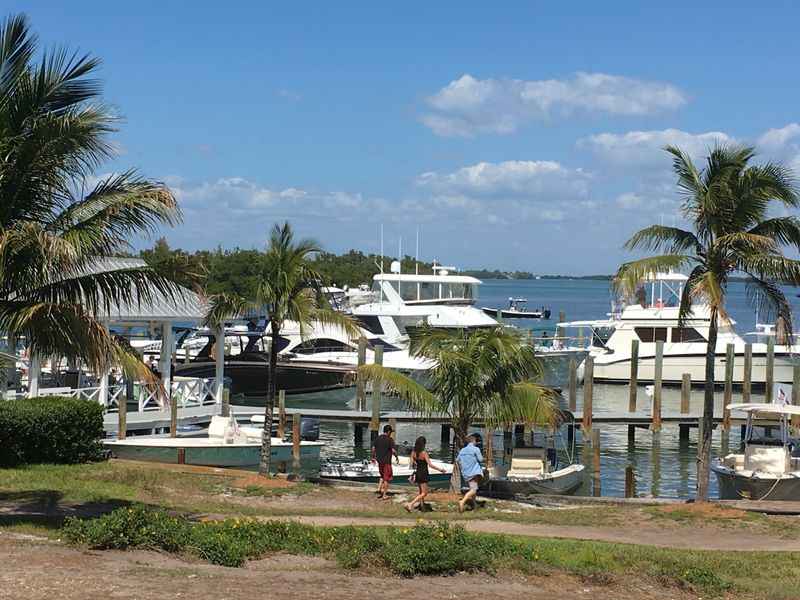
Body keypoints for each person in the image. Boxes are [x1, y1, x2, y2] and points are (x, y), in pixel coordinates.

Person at [405, 436, 445, 512]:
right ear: (423, 444)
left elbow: (412, 463)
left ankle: (422, 507)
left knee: (421, 492)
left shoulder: (413, 452)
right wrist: (440, 470)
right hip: (423, 473)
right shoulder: (424, 453)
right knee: (424, 493)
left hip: (418, 473)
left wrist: (415, 462)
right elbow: (430, 465)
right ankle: (411, 504)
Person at [456, 434, 484, 513]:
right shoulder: (476, 449)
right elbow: (481, 459)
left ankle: (474, 505)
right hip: (474, 472)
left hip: (466, 472)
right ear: (474, 441)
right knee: (474, 490)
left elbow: (458, 460)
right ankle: (462, 501)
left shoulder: (462, 450)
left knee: (472, 488)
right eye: (476, 441)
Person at [371, 424, 398, 500]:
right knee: (386, 478)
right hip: (386, 462)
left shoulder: (377, 438)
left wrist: (373, 457)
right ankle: (384, 495)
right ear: (388, 431)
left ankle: (379, 489)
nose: (391, 433)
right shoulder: (390, 440)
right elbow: (393, 451)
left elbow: (373, 449)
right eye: (391, 432)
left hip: (379, 461)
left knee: (382, 475)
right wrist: (396, 456)